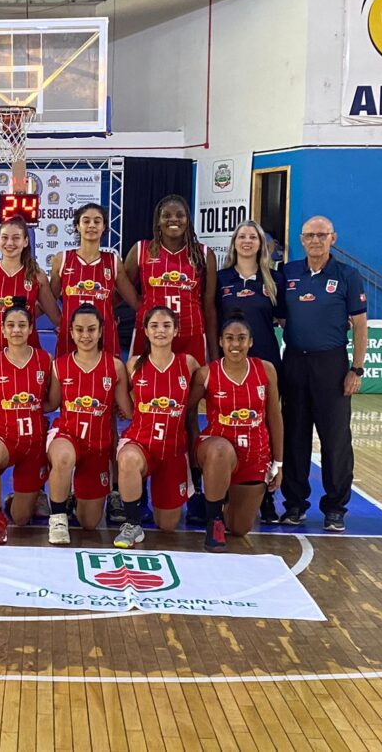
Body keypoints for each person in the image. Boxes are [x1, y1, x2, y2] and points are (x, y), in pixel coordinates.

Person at [279, 216, 368, 532]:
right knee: (295, 438)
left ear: (333, 238)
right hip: (294, 363)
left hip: (331, 365)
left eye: (321, 235)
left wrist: (356, 368)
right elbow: (277, 316)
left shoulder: (347, 276)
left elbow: (359, 326)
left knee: (335, 440)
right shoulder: (287, 273)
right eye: (309, 235)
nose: (315, 240)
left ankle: (335, 508)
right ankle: (294, 505)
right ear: (301, 240)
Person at [185, 314, 284, 552]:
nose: (235, 344)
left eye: (241, 338)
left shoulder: (266, 370)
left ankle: (224, 500)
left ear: (250, 342)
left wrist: (278, 463)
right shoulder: (206, 373)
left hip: (254, 454)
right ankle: (214, 521)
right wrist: (193, 452)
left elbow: (274, 417)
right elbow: (187, 413)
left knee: (240, 529)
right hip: (216, 447)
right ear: (220, 341)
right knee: (220, 450)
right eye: (229, 338)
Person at [214, 219, 287, 524]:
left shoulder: (273, 279)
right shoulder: (220, 278)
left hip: (264, 361)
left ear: (261, 244)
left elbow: (286, 321)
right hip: (228, 364)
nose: (247, 241)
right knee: (226, 423)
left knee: (263, 426)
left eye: (253, 237)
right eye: (241, 236)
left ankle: (266, 494)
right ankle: (223, 493)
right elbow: (212, 318)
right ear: (234, 243)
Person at [45, 304, 132, 544]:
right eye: (79, 330)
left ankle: (72, 497)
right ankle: (58, 517)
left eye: (91, 329)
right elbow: (51, 403)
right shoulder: (59, 365)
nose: (85, 335)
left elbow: (127, 409)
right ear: (70, 332)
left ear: (101, 331)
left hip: (98, 444)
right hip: (67, 434)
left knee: (89, 523)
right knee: (63, 457)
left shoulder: (114, 367)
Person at [114, 306, 199, 547]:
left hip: (173, 449)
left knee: (168, 524)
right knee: (128, 459)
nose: (160, 331)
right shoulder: (133, 365)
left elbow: (195, 401)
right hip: (141, 442)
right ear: (145, 331)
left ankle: (155, 495)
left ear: (175, 331)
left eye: (166, 326)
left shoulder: (188, 364)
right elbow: (125, 407)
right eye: (154, 326)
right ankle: (132, 524)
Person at [0, 300, 57, 543]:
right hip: (5, 435)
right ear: (2, 330)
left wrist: (28, 408)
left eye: (22, 325)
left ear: (31, 329)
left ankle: (16, 499)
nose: (16, 330)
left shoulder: (46, 360)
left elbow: (52, 403)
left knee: (21, 518)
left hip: (34, 442)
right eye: (10, 325)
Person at [125, 194, 217, 366]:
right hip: (151, 334)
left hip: (191, 334)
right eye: (166, 215)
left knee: (192, 389)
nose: (173, 219)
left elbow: (209, 307)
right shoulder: (141, 250)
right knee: (143, 387)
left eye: (180, 215)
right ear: (158, 221)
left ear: (188, 220)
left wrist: (215, 356)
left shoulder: (203, 254)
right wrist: (144, 307)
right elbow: (121, 291)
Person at [50, 203, 139, 358]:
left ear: (104, 226)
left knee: (107, 380)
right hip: (73, 334)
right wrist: (61, 322)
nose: (91, 225)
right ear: (77, 226)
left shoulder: (113, 261)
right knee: (67, 379)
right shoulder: (62, 259)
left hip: (104, 334)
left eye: (97, 221)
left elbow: (133, 300)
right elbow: (49, 300)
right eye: (86, 221)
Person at [0, 215, 60, 361]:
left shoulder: (37, 274)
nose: (9, 242)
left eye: (16, 238)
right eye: (4, 237)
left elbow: (55, 316)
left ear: (25, 241)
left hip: (28, 350)